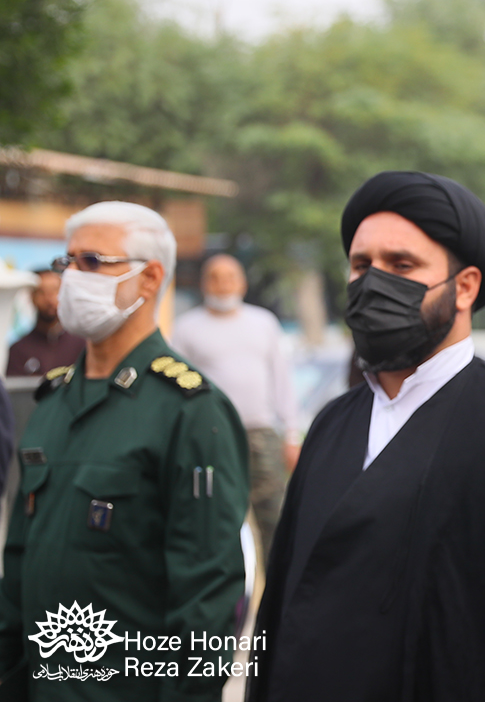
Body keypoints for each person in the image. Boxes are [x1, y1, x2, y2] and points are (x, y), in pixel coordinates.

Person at [248, 172, 485, 702]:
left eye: (402, 265)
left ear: (465, 287)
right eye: (361, 265)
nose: (373, 283)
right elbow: (283, 606)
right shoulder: (332, 424)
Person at [0, 201, 249, 701]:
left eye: (92, 262)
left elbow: (207, 595)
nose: (72, 278)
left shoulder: (190, 411)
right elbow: (19, 570)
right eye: (67, 262)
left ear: (150, 277)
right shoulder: (51, 404)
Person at [172, 254, 300, 563]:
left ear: (242, 283)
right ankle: (230, 587)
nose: (223, 284)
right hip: (211, 437)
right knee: (217, 518)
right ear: (203, 284)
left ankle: (277, 586)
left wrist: (292, 434)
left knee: (274, 518)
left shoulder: (263, 322)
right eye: (215, 277)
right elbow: (175, 389)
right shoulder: (186, 328)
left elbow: (282, 379)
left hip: (261, 433)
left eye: (230, 276)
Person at [5, 269, 85, 377]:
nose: (49, 299)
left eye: (55, 291)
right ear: (32, 296)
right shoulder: (18, 350)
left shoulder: (82, 346)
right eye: (42, 292)